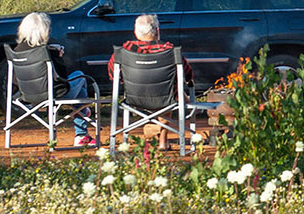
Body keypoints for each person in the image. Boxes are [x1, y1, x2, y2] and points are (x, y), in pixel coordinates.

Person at [107, 14, 193, 149]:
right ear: (157, 31)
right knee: (170, 91)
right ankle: (163, 141)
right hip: (164, 98)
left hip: (133, 98)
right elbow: (187, 74)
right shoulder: (169, 50)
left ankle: (134, 137)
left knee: (168, 92)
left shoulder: (123, 51)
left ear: (135, 32)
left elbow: (113, 75)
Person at [14, 12, 98, 147]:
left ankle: (82, 114)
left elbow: (14, 79)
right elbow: (62, 78)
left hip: (27, 95)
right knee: (80, 75)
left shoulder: (16, 51)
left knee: (79, 86)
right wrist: (59, 57)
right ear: (44, 30)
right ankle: (81, 122)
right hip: (54, 94)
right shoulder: (47, 52)